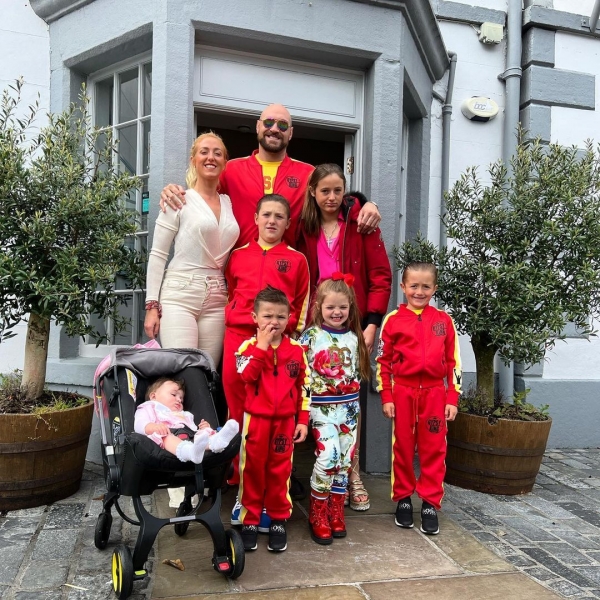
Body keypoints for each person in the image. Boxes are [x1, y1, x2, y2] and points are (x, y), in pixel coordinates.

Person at [296, 163, 392, 511]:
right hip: (313, 324)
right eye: (325, 191)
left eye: (338, 190)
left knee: (351, 398)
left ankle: (352, 473)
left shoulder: (361, 224)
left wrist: (372, 323)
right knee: (314, 393)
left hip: (352, 323)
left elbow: (381, 275)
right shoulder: (302, 227)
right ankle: (321, 468)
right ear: (313, 192)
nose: (332, 197)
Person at [159, 103, 382, 248]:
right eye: (268, 122)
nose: (274, 128)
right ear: (258, 127)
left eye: (282, 125)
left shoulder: (307, 173)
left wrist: (367, 203)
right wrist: (175, 191)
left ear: (291, 133)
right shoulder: (231, 169)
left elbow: (335, 201)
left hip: (289, 273)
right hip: (238, 274)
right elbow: (202, 197)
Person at [375, 262, 462, 535]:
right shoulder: (393, 320)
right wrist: (386, 395)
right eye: (414, 286)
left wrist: (452, 397)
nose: (419, 292)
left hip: (435, 395)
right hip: (402, 392)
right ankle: (403, 497)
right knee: (402, 447)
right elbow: (383, 361)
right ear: (403, 287)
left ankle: (429, 502)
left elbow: (454, 362)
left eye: (426, 286)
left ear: (434, 288)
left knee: (434, 449)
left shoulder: (444, 321)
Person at [144, 132, 239, 366]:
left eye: (217, 153)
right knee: (182, 369)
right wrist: (152, 306)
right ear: (193, 160)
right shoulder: (178, 199)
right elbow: (158, 255)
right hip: (179, 295)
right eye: (204, 152)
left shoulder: (229, 202)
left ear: (225, 162)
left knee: (207, 372)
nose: (210, 157)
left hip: (217, 298)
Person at [235, 286, 310, 552]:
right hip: (256, 420)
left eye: (280, 316)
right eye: (267, 316)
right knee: (252, 470)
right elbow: (246, 376)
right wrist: (262, 347)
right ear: (255, 318)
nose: (274, 322)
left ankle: (278, 518)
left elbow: (305, 386)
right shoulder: (247, 348)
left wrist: (302, 419)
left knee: (280, 470)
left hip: (285, 421)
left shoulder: (297, 350)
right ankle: (250, 520)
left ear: (289, 318)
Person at [299, 275, 371, 545]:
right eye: (331, 307)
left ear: (350, 307)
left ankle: (336, 510)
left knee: (344, 461)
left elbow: (356, 372)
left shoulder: (354, 337)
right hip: (322, 409)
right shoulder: (311, 337)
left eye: (343, 307)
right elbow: (301, 374)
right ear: (319, 307)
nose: (337, 312)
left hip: (349, 409)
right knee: (328, 457)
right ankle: (318, 513)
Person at [134, 377, 240, 463]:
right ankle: (190, 452)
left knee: (203, 434)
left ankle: (216, 442)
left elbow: (192, 430)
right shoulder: (149, 407)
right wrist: (153, 427)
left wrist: (203, 428)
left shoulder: (183, 414)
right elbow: (139, 423)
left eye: (181, 399)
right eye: (173, 395)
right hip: (165, 438)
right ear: (153, 396)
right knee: (167, 437)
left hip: (188, 437)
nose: (178, 400)